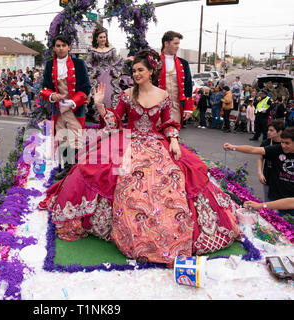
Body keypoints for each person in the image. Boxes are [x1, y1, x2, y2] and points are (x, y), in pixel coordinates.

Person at [40, 50, 241, 267]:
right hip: (129, 141)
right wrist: (99, 105)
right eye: (134, 70)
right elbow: (114, 122)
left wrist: (173, 140)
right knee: (101, 170)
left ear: (151, 71)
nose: (136, 74)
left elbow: (168, 124)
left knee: (174, 176)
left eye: (140, 70)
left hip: (157, 144)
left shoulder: (163, 96)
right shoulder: (127, 95)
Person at [40, 34, 91, 181]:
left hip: (75, 107)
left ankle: (72, 168)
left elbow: (86, 86)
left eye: (63, 45)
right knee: (62, 137)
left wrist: (74, 101)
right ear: (54, 48)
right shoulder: (50, 65)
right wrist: (52, 95)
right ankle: (66, 167)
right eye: (58, 45)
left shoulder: (79, 64)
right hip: (59, 108)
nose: (61, 48)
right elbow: (45, 87)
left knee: (74, 137)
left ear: (69, 47)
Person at [224, 126, 294, 216]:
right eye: (282, 142)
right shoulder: (278, 149)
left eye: (287, 143)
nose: (283, 145)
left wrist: (262, 205)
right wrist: (233, 147)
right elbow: (253, 149)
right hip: (275, 198)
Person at [86, 25, 129, 109]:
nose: (103, 39)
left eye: (104, 37)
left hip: (110, 75)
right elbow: (88, 63)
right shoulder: (92, 50)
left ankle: (112, 112)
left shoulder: (111, 49)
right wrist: (93, 71)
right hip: (97, 75)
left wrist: (126, 59)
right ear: (96, 38)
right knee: (97, 92)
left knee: (110, 92)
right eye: (101, 37)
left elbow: (117, 60)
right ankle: (98, 112)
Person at [156, 31, 193, 127]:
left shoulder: (183, 63)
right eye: (175, 43)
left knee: (174, 135)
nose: (178, 46)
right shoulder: (155, 62)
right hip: (157, 107)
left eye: (178, 44)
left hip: (176, 106)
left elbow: (188, 85)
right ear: (166, 43)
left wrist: (188, 108)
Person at [257, 120, 284, 202]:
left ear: (279, 132)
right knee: (268, 202)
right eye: (268, 130)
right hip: (267, 177)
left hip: (282, 180)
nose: (268, 132)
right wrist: (260, 173)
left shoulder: (286, 144)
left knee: (281, 203)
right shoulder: (266, 142)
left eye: (271, 130)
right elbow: (260, 158)